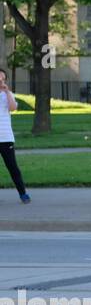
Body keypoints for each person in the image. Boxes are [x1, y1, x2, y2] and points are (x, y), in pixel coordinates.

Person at [0, 68, 29, 204]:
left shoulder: (8, 94)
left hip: (5, 138)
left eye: (3, 79)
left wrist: (6, 92)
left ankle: (23, 193)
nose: (1, 81)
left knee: (12, 167)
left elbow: (12, 108)